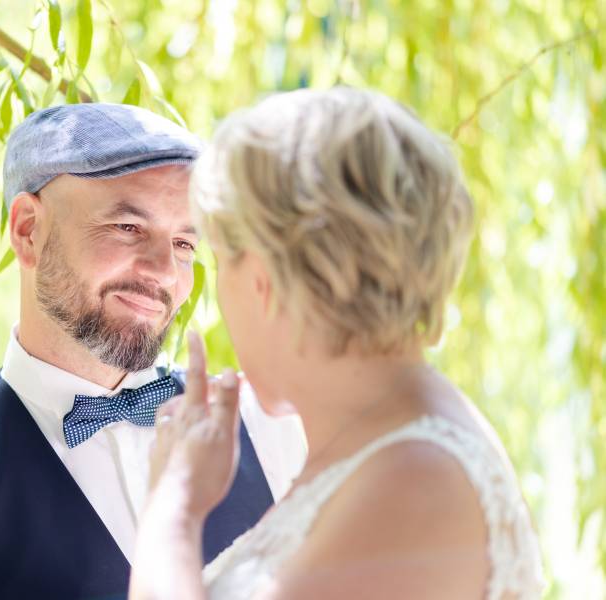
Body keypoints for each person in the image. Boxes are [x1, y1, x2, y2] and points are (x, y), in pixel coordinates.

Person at [0, 103, 305, 599]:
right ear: (28, 230)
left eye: (184, 243)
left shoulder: (275, 434)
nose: (164, 271)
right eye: (128, 228)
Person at [131, 88, 544, 599]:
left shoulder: (417, 479)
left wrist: (172, 504)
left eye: (218, 262)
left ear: (261, 279)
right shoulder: (379, 447)